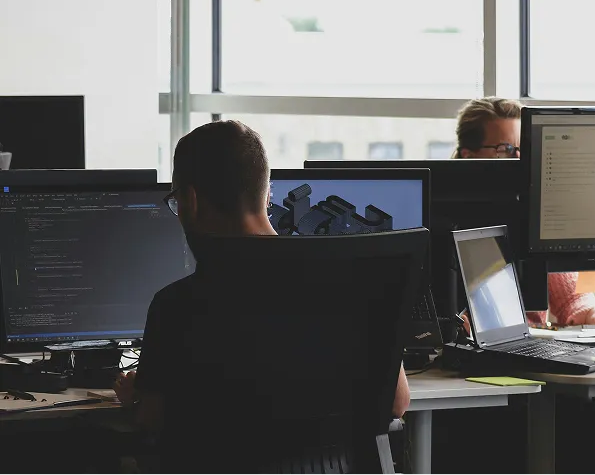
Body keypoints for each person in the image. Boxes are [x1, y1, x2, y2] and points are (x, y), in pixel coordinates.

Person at [114, 120, 410, 471]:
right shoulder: (352, 282)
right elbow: (397, 401)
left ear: (190, 200)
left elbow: (154, 417)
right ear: (267, 194)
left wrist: (135, 398)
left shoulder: (177, 306)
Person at [454, 96, 595, 327]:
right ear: (469, 156)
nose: (521, 160)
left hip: (529, 349)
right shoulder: (446, 216)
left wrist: (591, 312)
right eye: (507, 149)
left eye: (525, 149)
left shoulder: (534, 210)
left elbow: (571, 298)